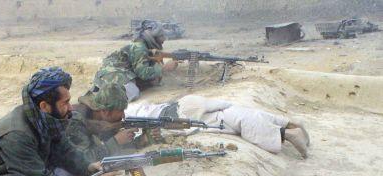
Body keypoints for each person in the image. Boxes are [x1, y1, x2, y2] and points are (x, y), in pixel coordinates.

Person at [0, 67, 117, 176]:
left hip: (26, 175)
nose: (70, 108)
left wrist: (89, 168)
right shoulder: (16, 134)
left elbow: (66, 152)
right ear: (44, 106)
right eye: (65, 103)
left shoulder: (48, 120)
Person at [126, 96, 311, 158]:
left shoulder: (125, 114)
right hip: (181, 106)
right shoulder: (130, 108)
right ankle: (287, 125)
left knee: (229, 121)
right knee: (232, 115)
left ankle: (286, 132)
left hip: (176, 114)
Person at [66, 82, 162, 164]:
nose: (123, 115)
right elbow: (85, 160)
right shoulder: (75, 121)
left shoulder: (102, 120)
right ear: (105, 111)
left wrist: (142, 141)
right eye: (120, 111)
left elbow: (115, 153)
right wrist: (116, 141)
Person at [93, 20, 178, 102]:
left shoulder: (142, 45)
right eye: (161, 36)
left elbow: (144, 58)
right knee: (133, 93)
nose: (164, 39)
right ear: (153, 36)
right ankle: (104, 99)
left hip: (116, 74)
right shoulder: (139, 47)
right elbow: (143, 73)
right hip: (113, 74)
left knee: (150, 82)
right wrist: (163, 68)